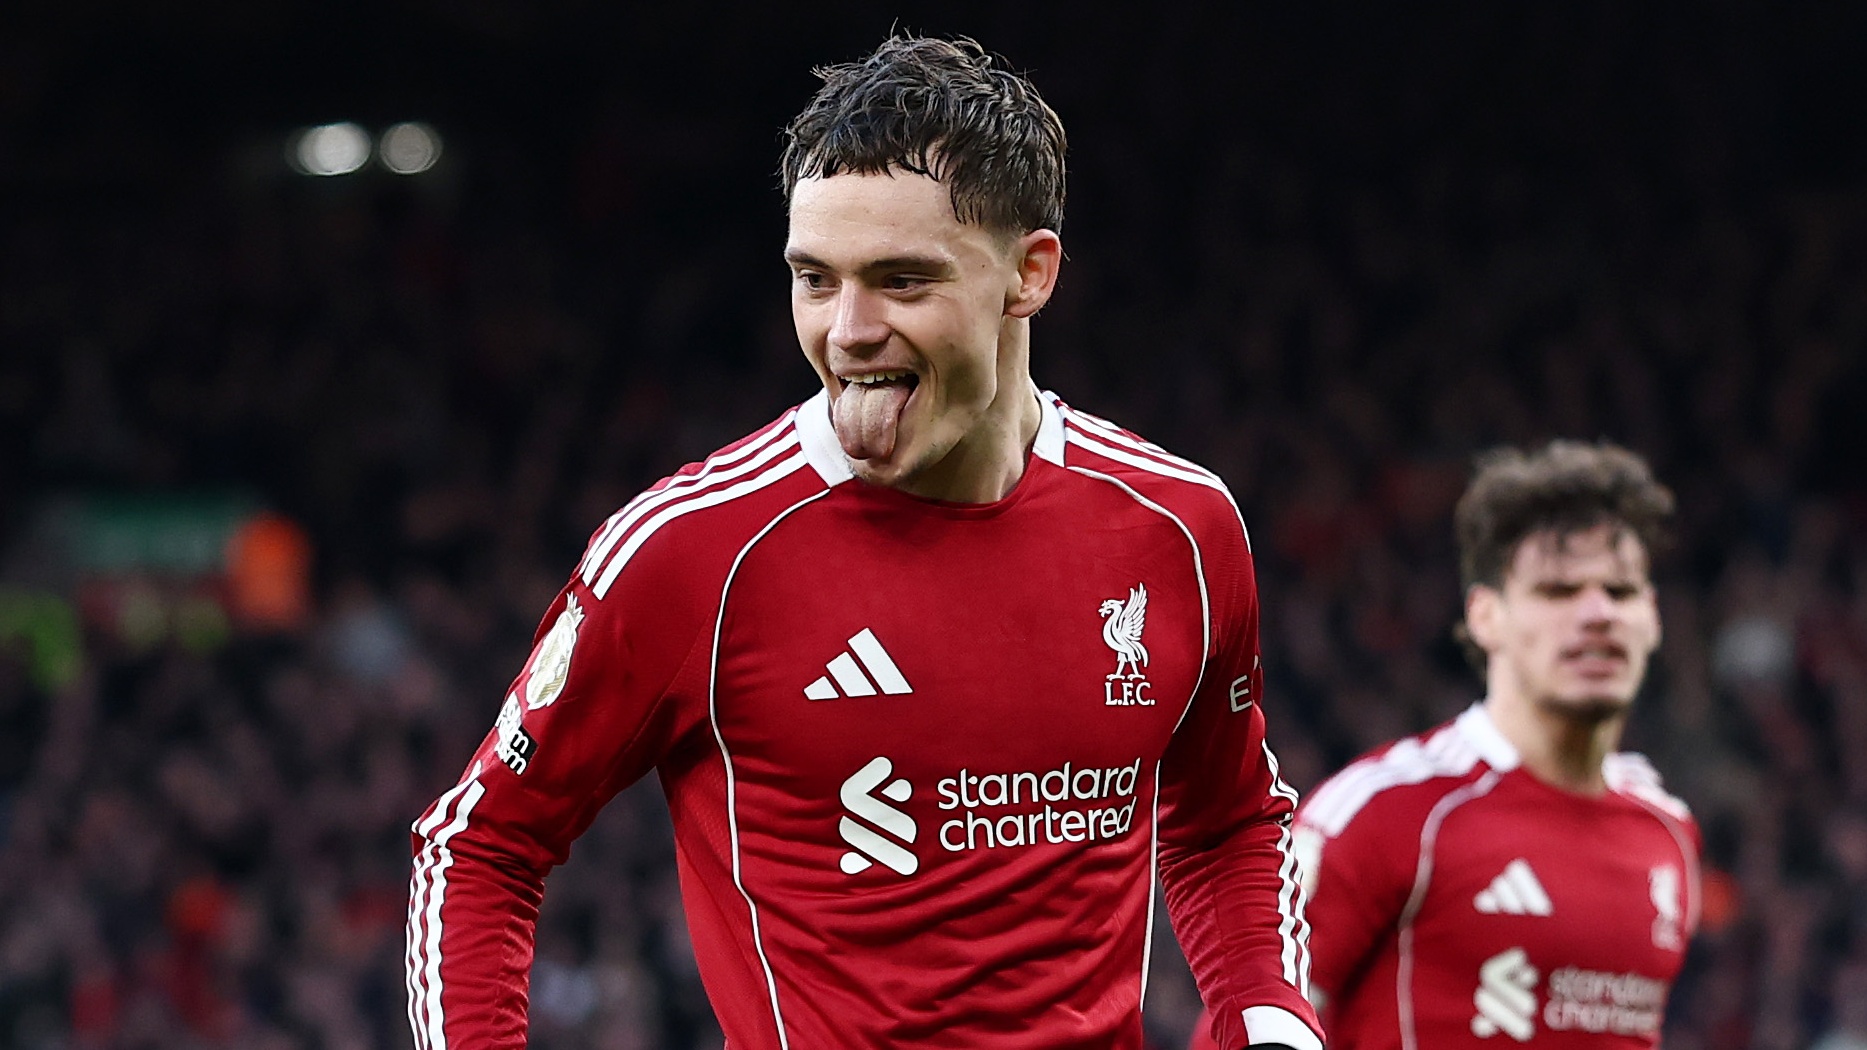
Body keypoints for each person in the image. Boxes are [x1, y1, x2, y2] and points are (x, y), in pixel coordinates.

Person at [405, 35, 1320, 1050]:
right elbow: (480, 845)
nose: (846, 330)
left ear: (1030, 274)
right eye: (814, 278)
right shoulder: (694, 549)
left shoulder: (1179, 529)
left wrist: (1263, 1008)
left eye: (900, 279)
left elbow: (1226, 818)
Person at [1190, 439, 1701, 1049]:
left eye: (1619, 592)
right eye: (1558, 592)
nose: (1596, 614)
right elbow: (1246, 1031)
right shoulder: (1385, 813)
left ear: (1653, 616)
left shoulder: (1669, 834)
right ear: (1485, 616)